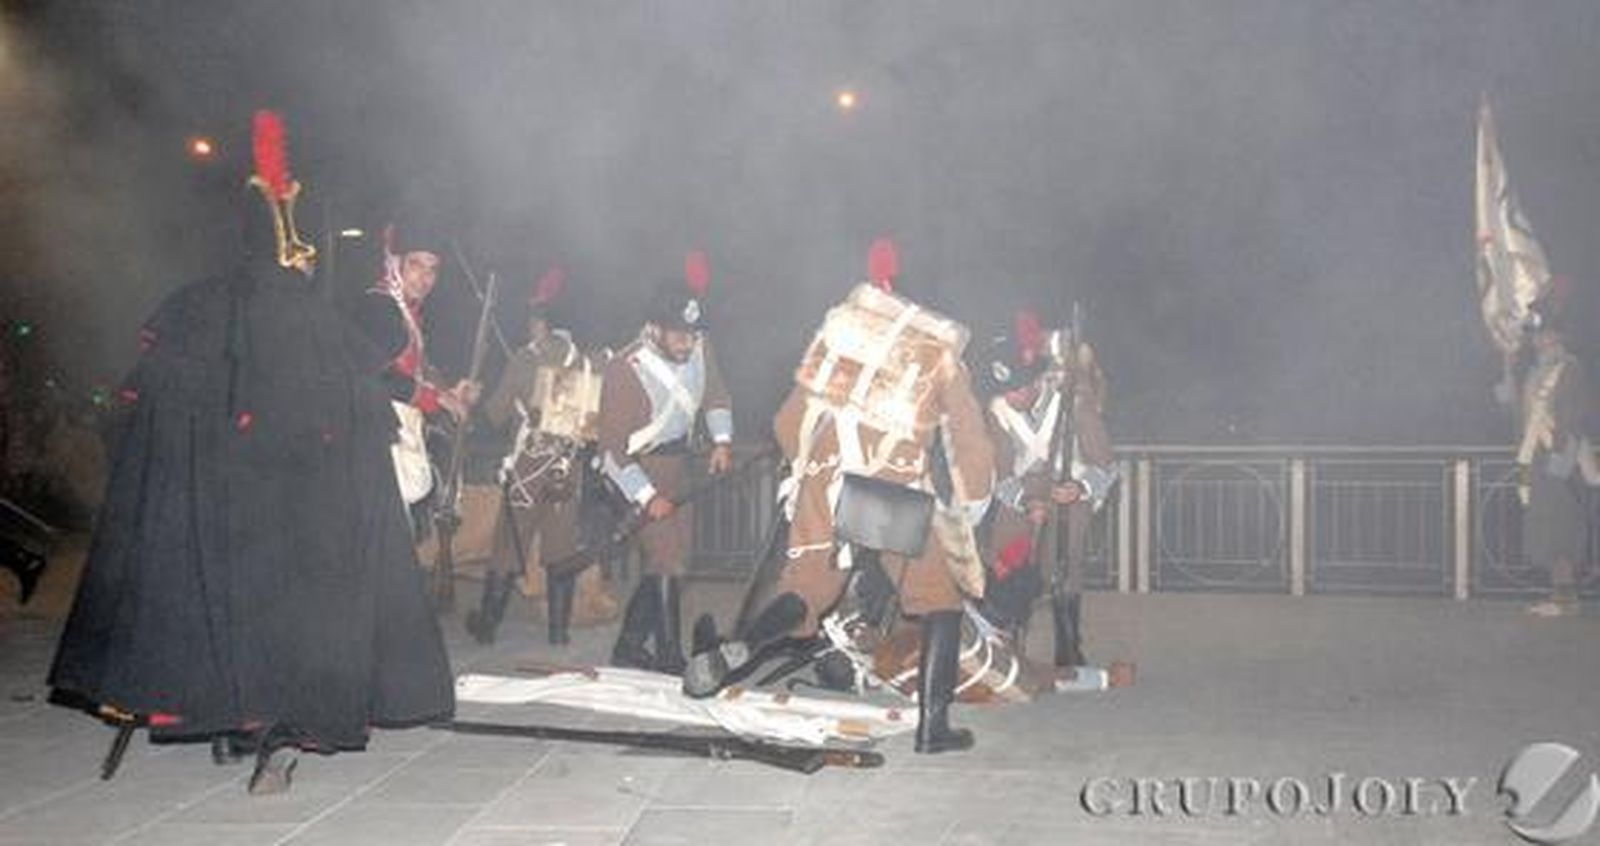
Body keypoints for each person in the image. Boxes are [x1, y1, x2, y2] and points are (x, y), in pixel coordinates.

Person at [47, 110, 454, 794]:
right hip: (275, 510)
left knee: (241, 608)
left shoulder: (197, 311)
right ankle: (267, 730)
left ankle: (242, 723)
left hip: (236, 510)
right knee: (281, 614)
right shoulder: (279, 315)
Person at [686, 238, 995, 754]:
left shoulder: (836, 342)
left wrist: (808, 473)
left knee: (805, 588)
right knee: (939, 600)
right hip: (887, 488)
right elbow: (971, 442)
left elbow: (787, 422)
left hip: (822, 483)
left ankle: (744, 647)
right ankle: (933, 729)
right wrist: (974, 504)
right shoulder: (937, 351)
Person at [598, 252, 734, 674]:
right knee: (668, 559)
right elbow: (611, 451)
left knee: (674, 560)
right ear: (655, 329)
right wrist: (646, 495)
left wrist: (722, 441)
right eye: (680, 335)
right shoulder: (625, 369)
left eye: (692, 335)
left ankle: (628, 646)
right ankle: (670, 654)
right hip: (640, 470)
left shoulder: (698, 348)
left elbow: (715, 395)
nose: (688, 344)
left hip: (679, 466)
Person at [479, 267, 616, 644]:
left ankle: (487, 625)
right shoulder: (593, 361)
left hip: (528, 465)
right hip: (568, 468)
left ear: (543, 322)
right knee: (560, 549)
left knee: (508, 545)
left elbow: (495, 412)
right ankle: (558, 632)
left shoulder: (527, 357)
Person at [977, 309, 1117, 668]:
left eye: (1018, 388)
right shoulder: (997, 412)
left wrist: (1081, 488)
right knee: (1004, 554)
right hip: (1025, 491)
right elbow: (1002, 473)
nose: (1012, 398)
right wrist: (1025, 502)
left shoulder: (1073, 400)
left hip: (1069, 490)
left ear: (1037, 381)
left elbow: (1105, 464)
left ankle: (1068, 644)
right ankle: (1007, 639)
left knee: (1065, 562)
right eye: (1005, 391)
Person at [354, 218, 481, 531]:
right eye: (416, 265)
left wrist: (450, 392)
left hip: (395, 431)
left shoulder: (407, 311)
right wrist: (436, 400)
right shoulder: (379, 307)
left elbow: (416, 369)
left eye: (432, 269)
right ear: (396, 263)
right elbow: (378, 378)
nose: (425, 278)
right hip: (377, 437)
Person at [1507, 287, 1596, 617]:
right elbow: (1517, 409)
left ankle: (1566, 599)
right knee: (1547, 525)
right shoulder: (1534, 372)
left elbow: (1575, 415)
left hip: (1561, 456)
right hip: (1539, 455)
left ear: (1558, 337)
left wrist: (1563, 457)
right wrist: (1507, 367)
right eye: (1537, 336)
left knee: (1564, 527)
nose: (1539, 341)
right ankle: (1558, 595)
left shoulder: (1569, 368)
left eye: (1545, 335)